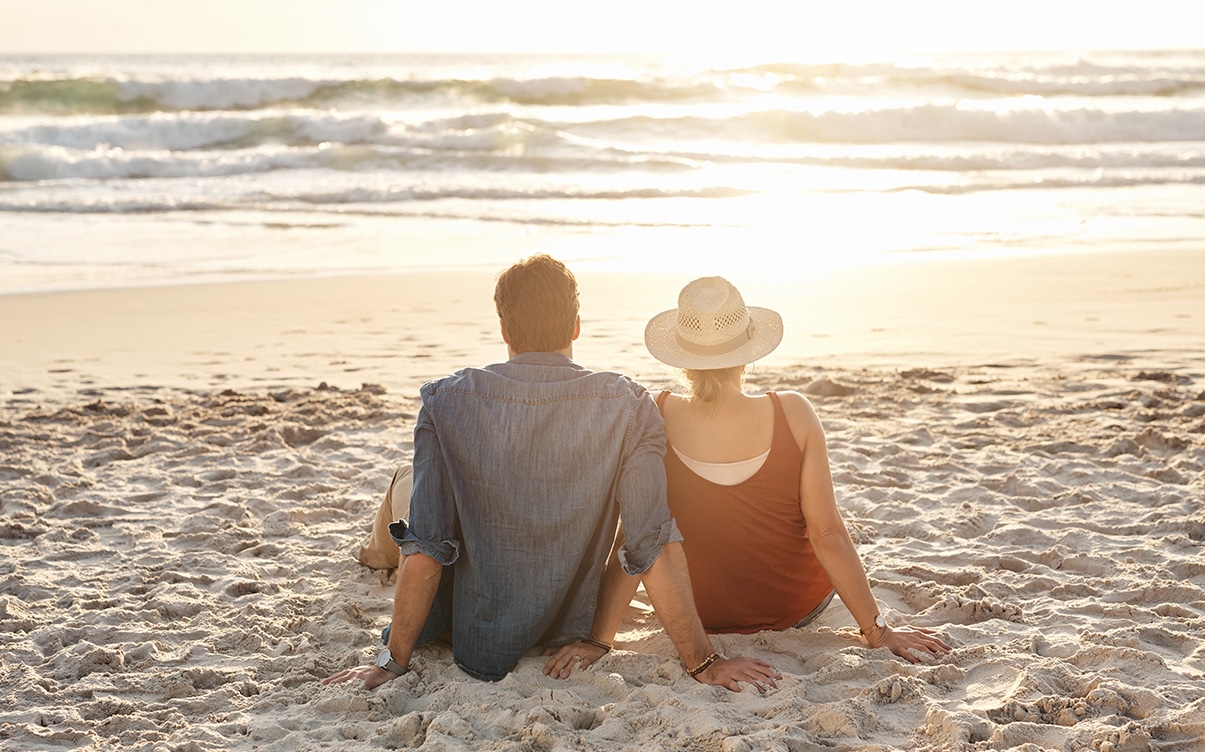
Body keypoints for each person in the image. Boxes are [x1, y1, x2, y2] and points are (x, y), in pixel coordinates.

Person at [324, 256, 780, 692]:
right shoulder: (629, 406)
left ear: (503, 328)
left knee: (407, 487)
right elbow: (650, 541)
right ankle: (377, 550)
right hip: (565, 635)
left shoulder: (445, 401)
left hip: (468, 637)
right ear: (577, 325)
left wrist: (393, 661)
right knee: (414, 489)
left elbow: (427, 544)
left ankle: (373, 554)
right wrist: (703, 661)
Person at [545, 276, 950, 677]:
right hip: (794, 608)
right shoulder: (794, 413)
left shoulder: (654, 415)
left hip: (701, 613)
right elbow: (827, 535)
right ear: (748, 352)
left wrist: (601, 639)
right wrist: (877, 631)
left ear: (682, 357)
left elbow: (635, 538)